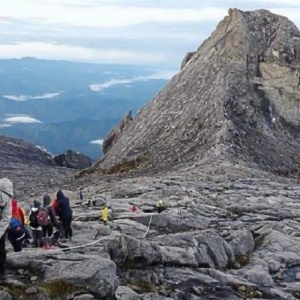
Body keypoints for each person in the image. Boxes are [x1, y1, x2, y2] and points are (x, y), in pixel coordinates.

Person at [0, 178, 13, 280]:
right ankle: (2, 272)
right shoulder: (8, 200)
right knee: (1, 249)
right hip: (1, 228)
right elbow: (6, 218)